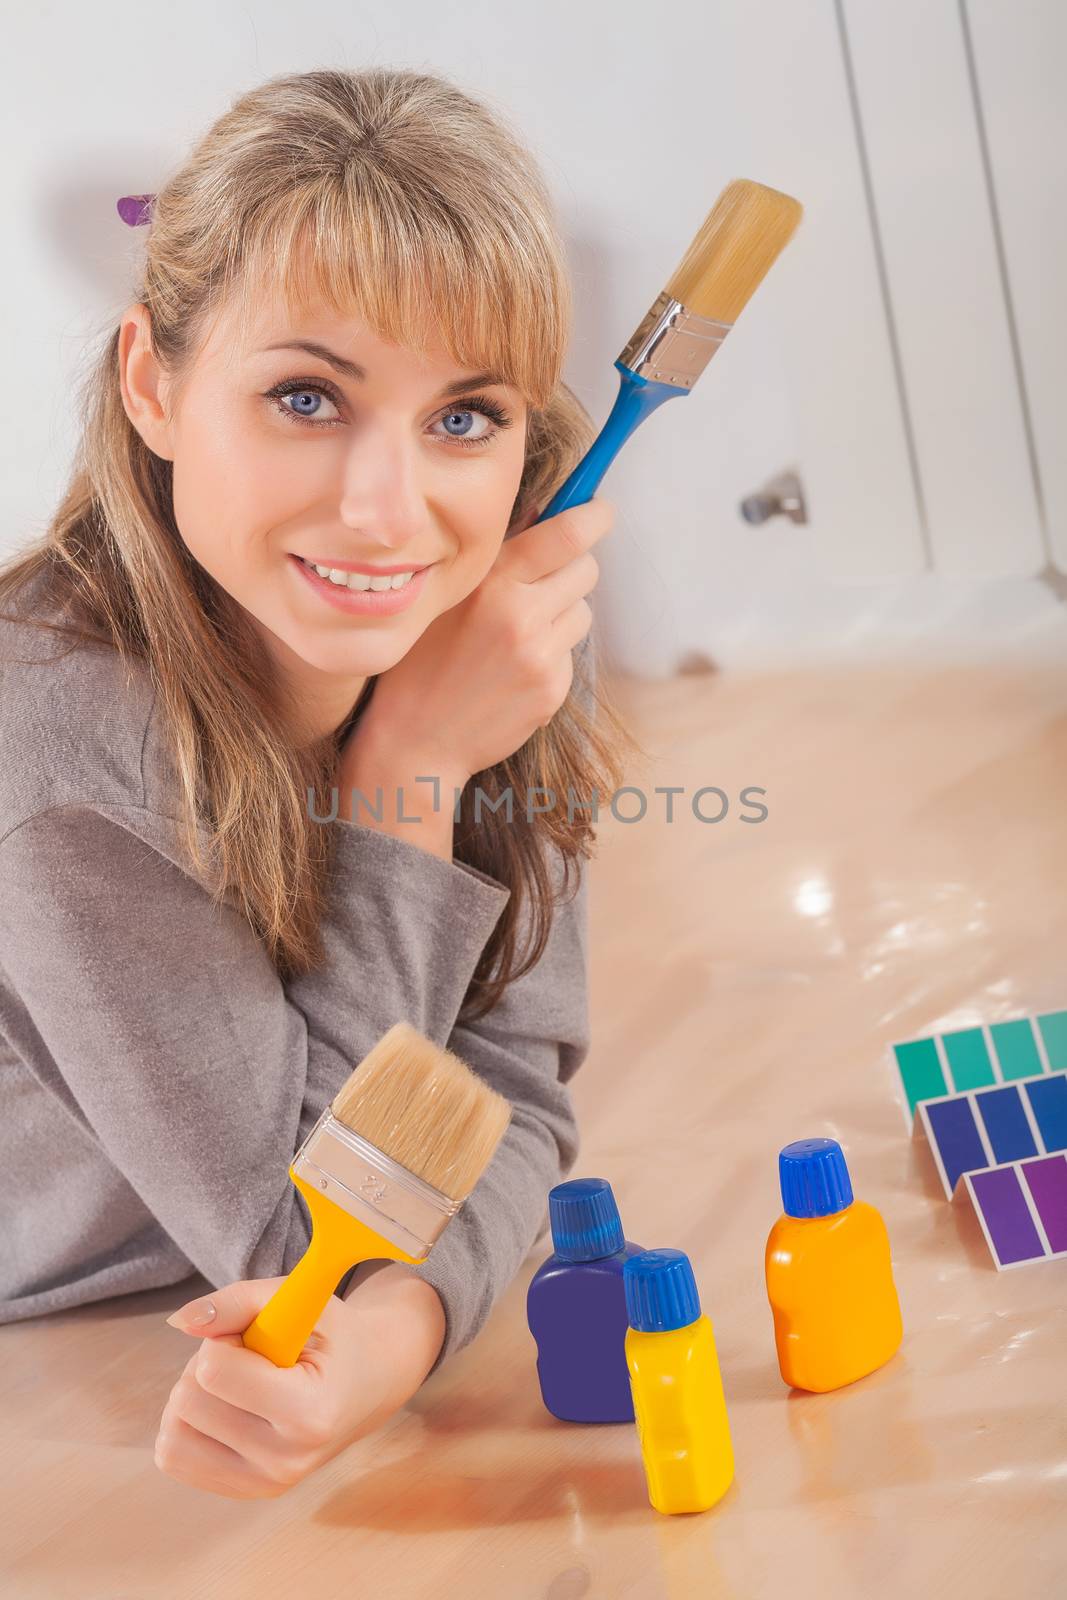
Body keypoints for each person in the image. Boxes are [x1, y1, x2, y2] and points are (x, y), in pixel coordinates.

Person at [0, 66, 636, 1499]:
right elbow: (297, 1254)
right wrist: (408, 773)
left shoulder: (484, 607)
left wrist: (405, 1328)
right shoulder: (56, 760)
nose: (386, 510)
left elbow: (507, 1088)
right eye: (306, 396)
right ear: (153, 384)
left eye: (465, 417)